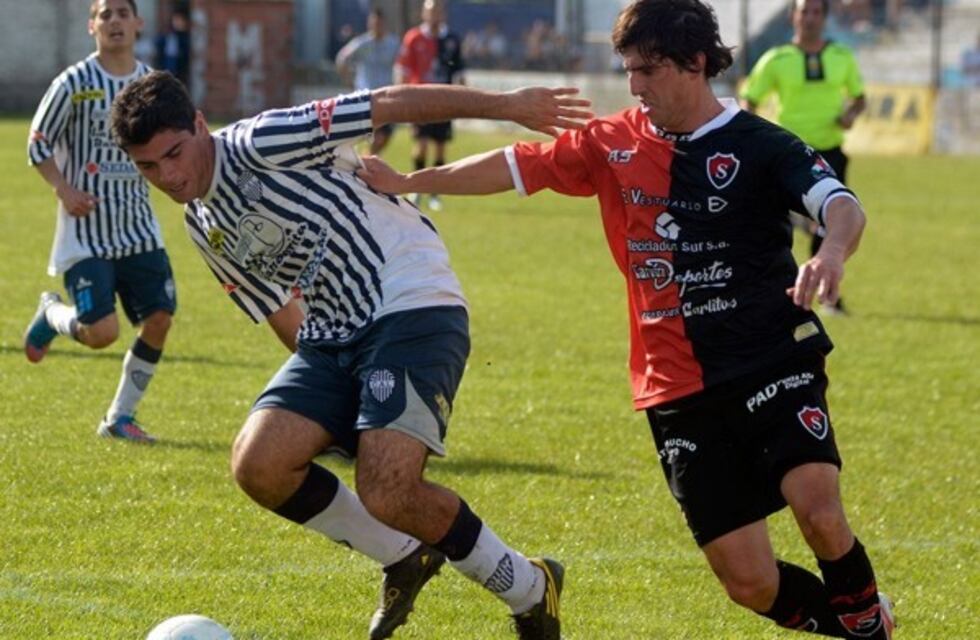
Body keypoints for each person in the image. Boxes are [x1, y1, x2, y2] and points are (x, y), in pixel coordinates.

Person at [357, 0, 898, 638]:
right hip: (674, 383)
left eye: (648, 70)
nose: (635, 86)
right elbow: (513, 165)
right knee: (749, 583)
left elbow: (841, 205)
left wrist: (831, 253)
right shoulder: (612, 142)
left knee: (819, 511)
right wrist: (409, 180)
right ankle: (863, 622)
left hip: (770, 355)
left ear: (696, 63)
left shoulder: (761, 144)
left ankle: (870, 630)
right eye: (629, 70)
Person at [111, 70, 591, 639]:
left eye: (173, 153)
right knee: (259, 464)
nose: (168, 176)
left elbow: (386, 102)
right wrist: (333, 413)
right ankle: (404, 555)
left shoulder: (263, 141)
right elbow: (281, 312)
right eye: (148, 167)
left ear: (198, 124)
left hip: (411, 300)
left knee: (388, 488)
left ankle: (530, 587)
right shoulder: (204, 224)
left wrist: (506, 104)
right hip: (332, 336)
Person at [23, 0, 175, 444]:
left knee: (160, 318)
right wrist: (64, 189)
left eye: (123, 13)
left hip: (139, 229)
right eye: (105, 14)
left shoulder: (152, 86)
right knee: (101, 334)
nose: (115, 21)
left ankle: (119, 418)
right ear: (92, 25)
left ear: (139, 23)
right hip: (86, 232)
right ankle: (52, 314)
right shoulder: (74, 83)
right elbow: (37, 142)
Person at [740, 0, 866, 315]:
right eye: (804, 11)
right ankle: (768, 290)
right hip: (788, 155)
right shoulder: (776, 59)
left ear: (825, 17)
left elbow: (859, 98)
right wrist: (750, 135)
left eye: (816, 12)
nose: (810, 18)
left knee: (830, 224)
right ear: (792, 16)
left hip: (830, 153)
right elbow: (749, 99)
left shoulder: (842, 56)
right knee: (770, 225)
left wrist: (850, 115)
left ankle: (827, 297)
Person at [395, 0, 465, 212]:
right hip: (420, 102)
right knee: (421, 145)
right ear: (423, 14)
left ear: (443, 14)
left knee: (440, 148)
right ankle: (417, 189)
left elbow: (459, 73)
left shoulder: (451, 40)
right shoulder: (413, 37)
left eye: (437, 11)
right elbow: (403, 70)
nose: (434, 15)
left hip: (445, 102)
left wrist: (463, 100)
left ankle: (435, 193)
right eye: (430, 11)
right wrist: (401, 98)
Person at [335, 8, 401, 154]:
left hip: (387, 96)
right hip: (366, 97)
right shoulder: (362, 43)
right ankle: (367, 160)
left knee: (385, 136)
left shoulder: (393, 44)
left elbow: (403, 63)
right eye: (374, 23)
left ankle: (366, 159)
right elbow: (342, 59)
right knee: (377, 136)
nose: (377, 26)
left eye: (380, 23)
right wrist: (349, 81)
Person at [155, 10, 191, 87]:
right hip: (167, 61)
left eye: (180, 21)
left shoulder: (185, 36)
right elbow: (159, 44)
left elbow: (186, 51)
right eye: (175, 20)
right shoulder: (168, 34)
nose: (177, 23)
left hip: (179, 64)